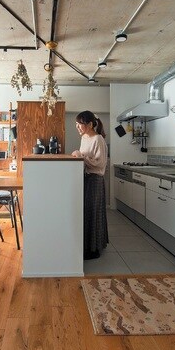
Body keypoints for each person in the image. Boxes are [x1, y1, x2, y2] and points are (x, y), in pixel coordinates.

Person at [71, 111, 108, 260]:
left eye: (80, 124)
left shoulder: (98, 139)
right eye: (76, 124)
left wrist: (81, 156)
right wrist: (79, 156)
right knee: (87, 212)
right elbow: (84, 158)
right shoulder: (84, 138)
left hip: (95, 179)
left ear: (90, 124)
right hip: (86, 178)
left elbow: (100, 163)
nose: (77, 127)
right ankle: (88, 246)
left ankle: (94, 250)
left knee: (93, 213)